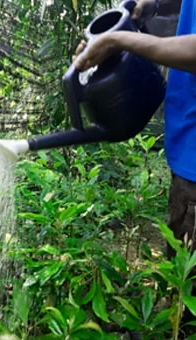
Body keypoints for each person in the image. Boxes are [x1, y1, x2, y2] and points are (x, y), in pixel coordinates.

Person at [74, 0, 196, 307]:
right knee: (180, 267)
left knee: (188, 287)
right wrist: (150, 5)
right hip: (186, 150)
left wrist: (119, 40)